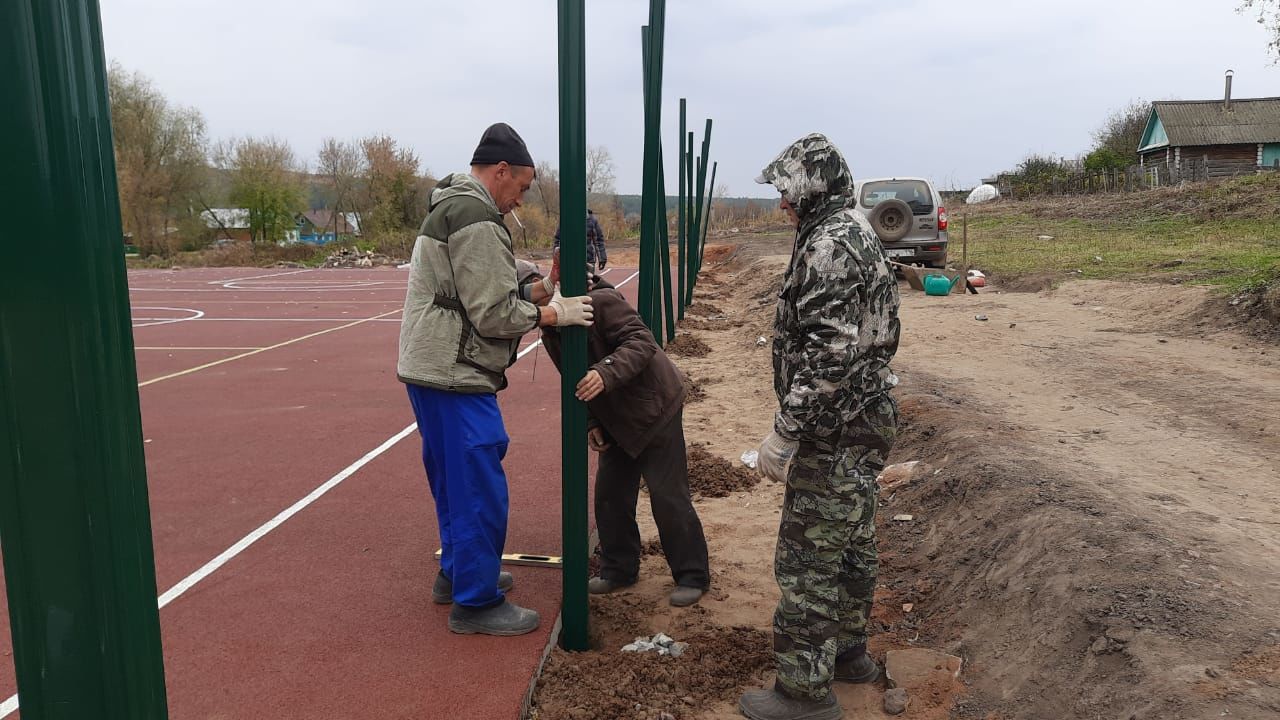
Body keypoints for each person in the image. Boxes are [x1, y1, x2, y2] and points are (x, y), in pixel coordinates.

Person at [397, 122, 595, 637]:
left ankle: (459, 575)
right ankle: (477, 603)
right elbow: (491, 314)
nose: (520, 200)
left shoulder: (454, 206)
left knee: (452, 480)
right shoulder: (476, 216)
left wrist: (543, 291)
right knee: (478, 482)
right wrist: (557, 315)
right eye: (522, 187)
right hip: (454, 371)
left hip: (432, 367)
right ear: (501, 172)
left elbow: (478, 292)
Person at [738, 133, 901, 720]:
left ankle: (804, 692)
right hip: (866, 416)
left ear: (810, 190)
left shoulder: (829, 246)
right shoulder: (852, 231)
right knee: (853, 540)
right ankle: (848, 653)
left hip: (836, 427)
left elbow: (828, 355)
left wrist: (786, 431)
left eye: (785, 191)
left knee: (807, 558)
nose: (781, 203)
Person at [528, 259, 710, 607]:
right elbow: (572, 380)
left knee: (667, 495)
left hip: (655, 407)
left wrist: (605, 371)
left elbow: (642, 341)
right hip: (615, 417)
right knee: (610, 495)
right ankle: (618, 569)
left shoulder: (601, 302)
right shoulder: (552, 331)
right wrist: (592, 423)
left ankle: (692, 575)